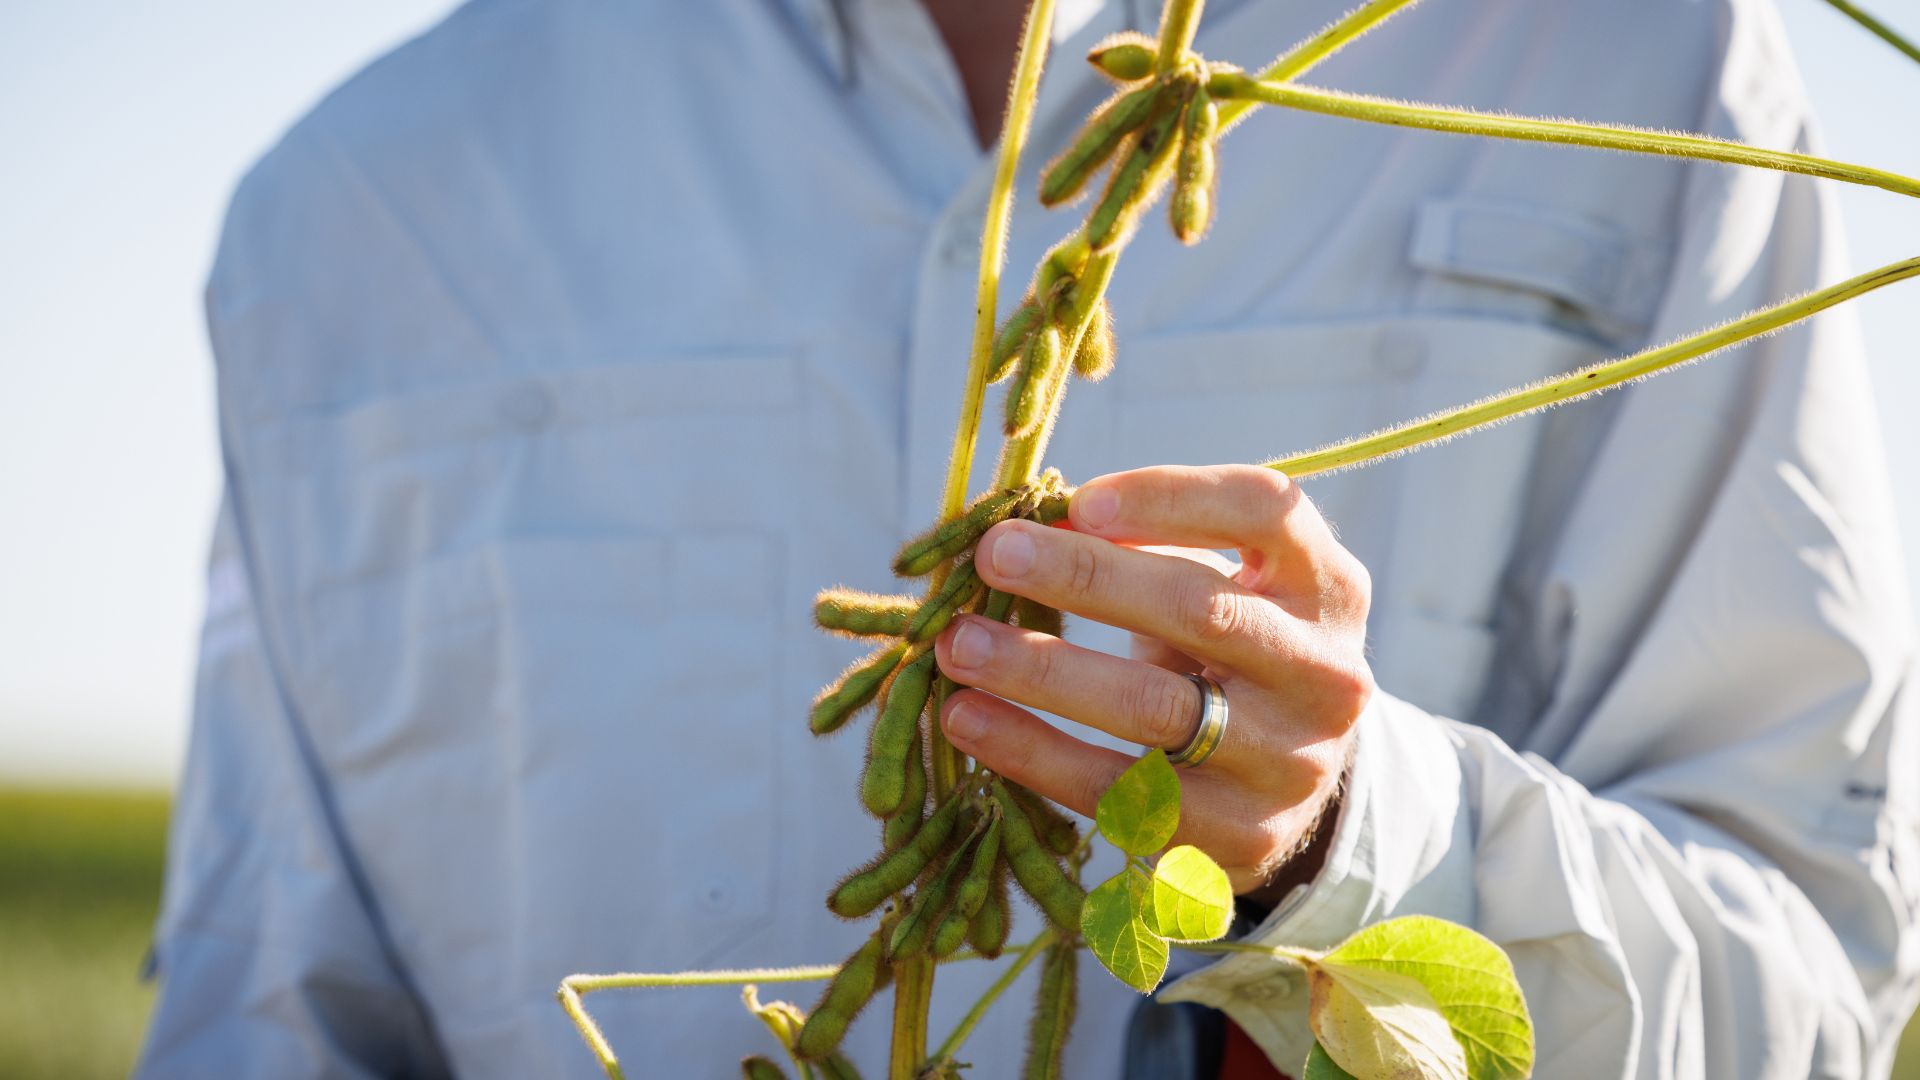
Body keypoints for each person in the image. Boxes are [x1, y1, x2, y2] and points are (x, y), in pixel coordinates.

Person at [137, 0, 1919, 1076]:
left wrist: (1356, 847)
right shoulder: (357, 208)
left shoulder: (1641, 63)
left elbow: (1814, 1002)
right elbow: (270, 1017)